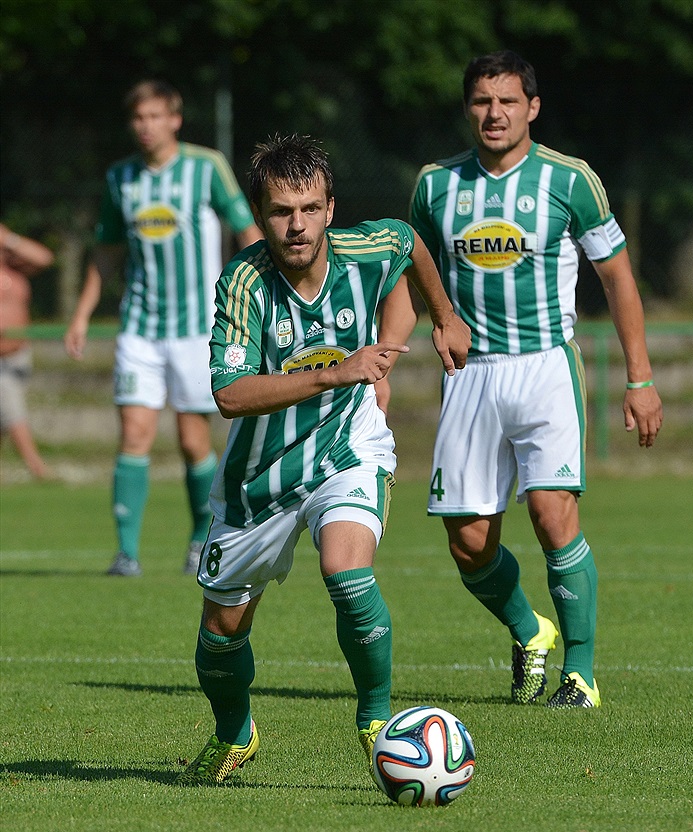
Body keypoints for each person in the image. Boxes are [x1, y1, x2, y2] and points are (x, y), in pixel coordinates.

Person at [176, 133, 471, 786]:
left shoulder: (365, 248)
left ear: (331, 207)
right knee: (220, 632)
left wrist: (434, 322)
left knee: (346, 570)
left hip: (346, 449)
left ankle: (377, 720)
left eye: (309, 207)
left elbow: (408, 247)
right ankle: (235, 733)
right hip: (260, 479)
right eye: (282, 210)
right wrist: (338, 372)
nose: (297, 223)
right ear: (260, 214)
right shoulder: (245, 283)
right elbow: (228, 394)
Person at [381, 50, 663, 709]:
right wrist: (384, 359)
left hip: (545, 368)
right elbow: (411, 277)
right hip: (470, 377)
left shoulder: (571, 180)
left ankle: (581, 674)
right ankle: (528, 626)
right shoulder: (434, 186)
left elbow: (618, 277)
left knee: (551, 511)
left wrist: (640, 377)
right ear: (467, 109)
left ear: (532, 107)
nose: (494, 113)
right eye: (482, 101)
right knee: (469, 542)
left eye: (508, 100)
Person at [64, 80, 261, 577]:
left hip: (199, 328)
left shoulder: (206, 167)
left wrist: (264, 289)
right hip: (139, 329)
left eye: (155, 116)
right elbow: (106, 252)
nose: (145, 126)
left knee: (194, 440)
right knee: (134, 434)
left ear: (175, 119)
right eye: (137, 117)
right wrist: (83, 314)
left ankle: (199, 539)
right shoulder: (121, 178)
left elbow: (245, 227)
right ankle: (126, 553)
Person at [0, 223, 55, 479]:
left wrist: (9, 239)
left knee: (4, 415)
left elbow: (45, 258)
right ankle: (37, 468)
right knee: (12, 409)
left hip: (18, 356)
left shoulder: (14, 268)